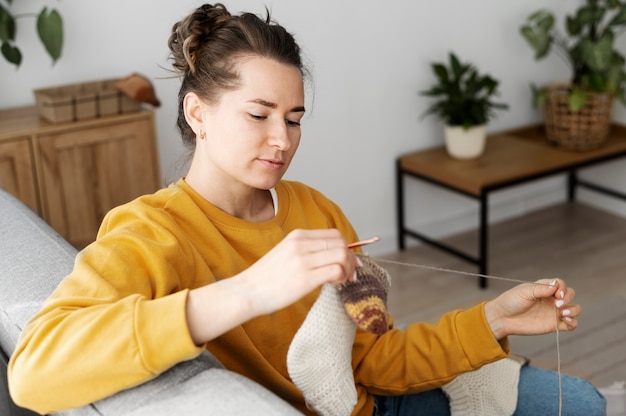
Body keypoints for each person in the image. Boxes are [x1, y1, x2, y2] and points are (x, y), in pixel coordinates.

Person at [8, 3, 606, 416]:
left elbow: (374, 360)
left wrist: (493, 320)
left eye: (294, 119)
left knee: (584, 403)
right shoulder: (150, 233)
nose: (282, 140)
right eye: (258, 114)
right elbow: (34, 371)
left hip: (370, 402)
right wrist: (248, 292)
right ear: (197, 114)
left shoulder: (317, 211)